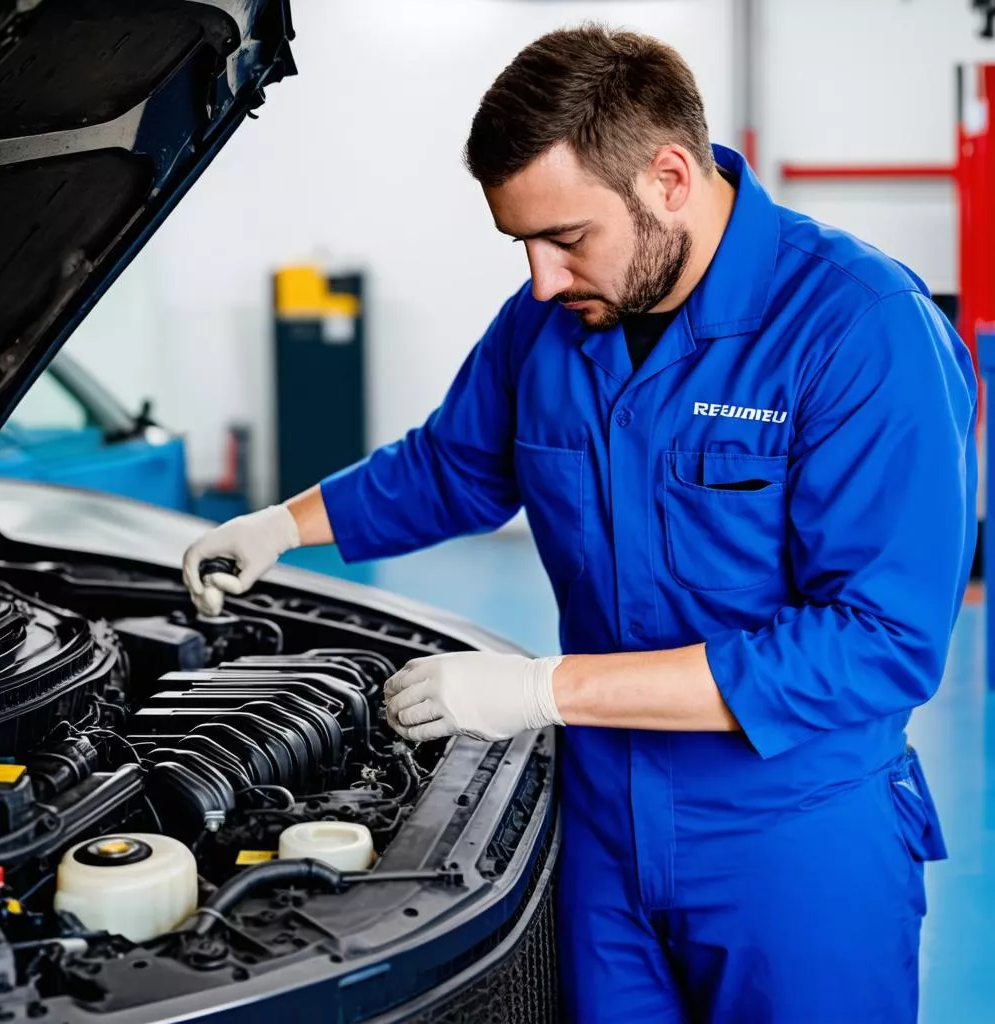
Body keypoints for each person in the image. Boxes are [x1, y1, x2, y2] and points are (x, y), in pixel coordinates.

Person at [182, 25, 977, 1023]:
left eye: (565, 237)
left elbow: (877, 642)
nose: (543, 281)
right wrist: (279, 525)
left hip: (794, 838)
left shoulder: (859, 329)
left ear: (671, 177)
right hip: (604, 827)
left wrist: (540, 688)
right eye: (522, 243)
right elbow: (453, 466)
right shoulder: (553, 322)